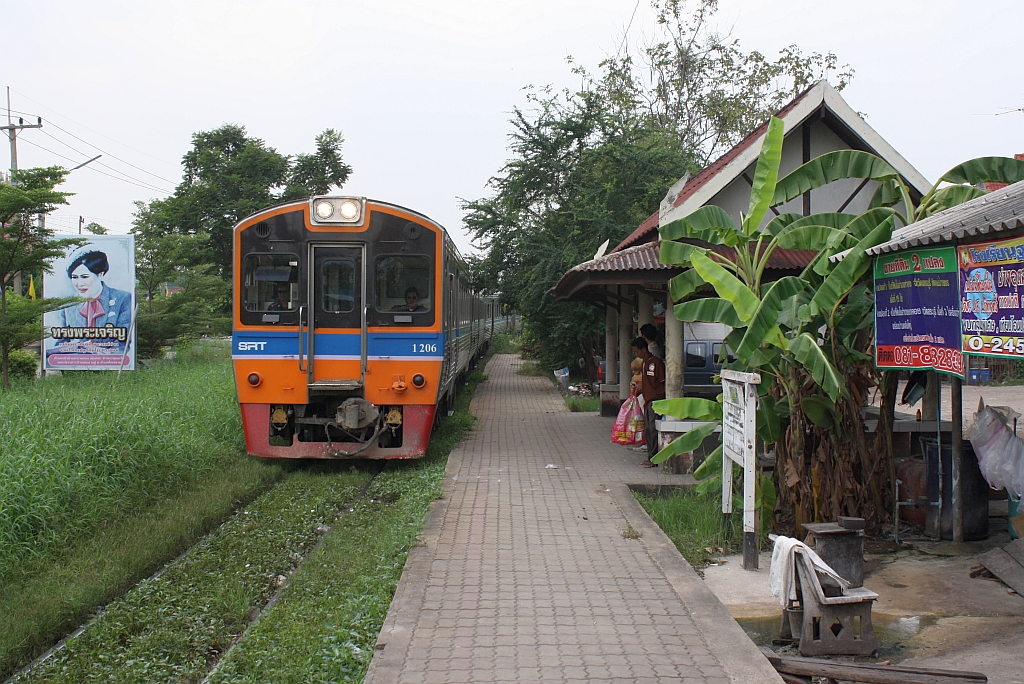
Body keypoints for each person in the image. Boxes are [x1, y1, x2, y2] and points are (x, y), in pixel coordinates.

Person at [58, 250, 133, 329]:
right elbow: (62, 339)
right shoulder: (68, 305)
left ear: (100, 274)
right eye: (74, 277)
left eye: (85, 277)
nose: (79, 284)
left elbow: (125, 338)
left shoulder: (124, 299)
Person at [632, 336, 665, 468]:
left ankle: (655, 458)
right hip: (647, 400)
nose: (637, 355)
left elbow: (663, 381)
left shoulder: (655, 363)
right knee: (647, 429)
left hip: (656, 399)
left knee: (652, 429)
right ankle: (651, 456)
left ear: (644, 350)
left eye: (637, 352)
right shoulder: (644, 363)